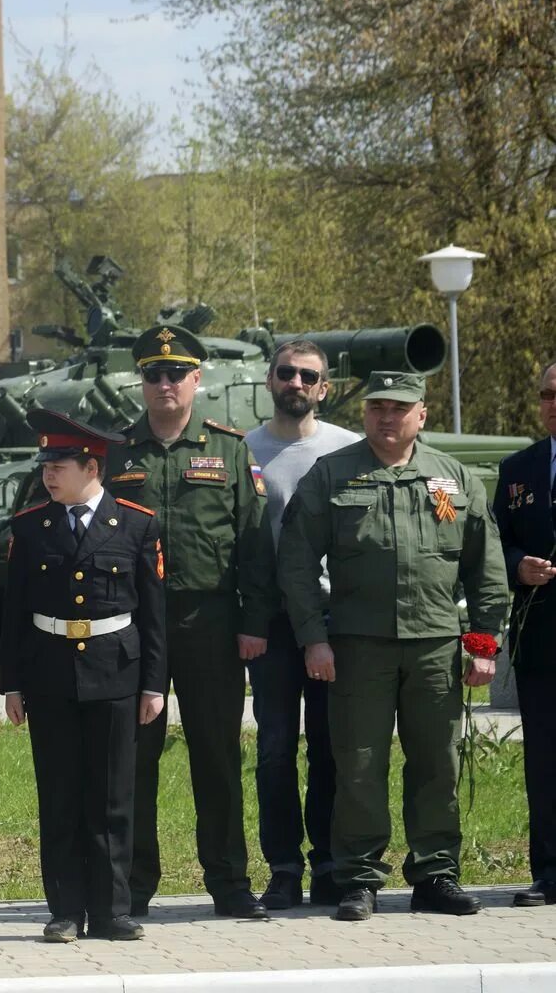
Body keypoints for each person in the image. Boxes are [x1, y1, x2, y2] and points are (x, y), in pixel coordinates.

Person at [278, 370, 508, 921]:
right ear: (366, 414)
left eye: (400, 408)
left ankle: (435, 873)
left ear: (422, 415)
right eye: (378, 406)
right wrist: (314, 638)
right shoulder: (333, 475)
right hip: (358, 647)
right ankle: (357, 878)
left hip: (434, 647)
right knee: (358, 763)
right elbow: (297, 561)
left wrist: (482, 643)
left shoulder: (450, 481)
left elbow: (484, 566)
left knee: (437, 762)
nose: (387, 416)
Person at [106, 324, 274, 919]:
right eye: (153, 374)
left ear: (197, 379)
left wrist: (254, 622)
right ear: (141, 382)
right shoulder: (115, 452)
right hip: (131, 626)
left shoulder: (230, 449)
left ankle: (229, 882)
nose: (165, 384)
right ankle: (129, 884)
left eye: (176, 373)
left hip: (210, 622)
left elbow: (255, 547)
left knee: (217, 755)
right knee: (131, 758)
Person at [0, 410, 166, 942]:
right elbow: (14, 611)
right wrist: (12, 683)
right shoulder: (30, 526)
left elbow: (153, 612)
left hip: (116, 671)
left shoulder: (137, 523)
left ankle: (113, 908)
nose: (49, 474)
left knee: (113, 796)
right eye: (45, 464)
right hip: (50, 673)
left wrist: (155, 683)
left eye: (60, 464)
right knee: (61, 794)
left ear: (91, 467)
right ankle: (66, 909)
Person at [242, 340, 358, 910]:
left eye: (307, 375)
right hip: (272, 623)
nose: (296, 382)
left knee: (332, 747)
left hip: (335, 620)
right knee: (275, 749)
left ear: (324, 387)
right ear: (269, 380)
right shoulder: (243, 450)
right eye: (285, 372)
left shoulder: (349, 449)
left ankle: (332, 866)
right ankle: (283, 868)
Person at [491, 358, 556, 908]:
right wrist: (517, 566)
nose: (555, 403)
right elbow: (496, 543)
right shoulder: (519, 470)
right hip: (541, 641)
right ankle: (549, 871)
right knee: (545, 758)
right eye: (548, 394)